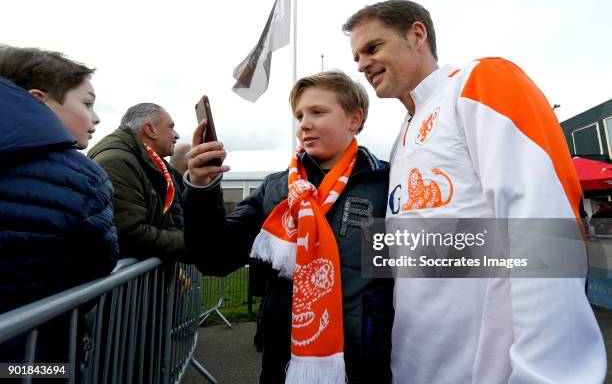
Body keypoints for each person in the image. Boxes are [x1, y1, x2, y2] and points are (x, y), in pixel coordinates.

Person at [343, 0, 606, 383]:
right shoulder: (402, 137)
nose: (362, 64)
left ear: (417, 35)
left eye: (373, 47)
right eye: (356, 56)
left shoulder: (480, 81)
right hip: (413, 366)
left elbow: (547, 236)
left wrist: (545, 374)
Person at [183, 71, 394, 383]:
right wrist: (201, 189)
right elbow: (214, 257)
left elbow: (422, 273)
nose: (304, 124)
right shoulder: (276, 189)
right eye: (299, 115)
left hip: (362, 363)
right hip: (283, 363)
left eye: (318, 112)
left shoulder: (385, 185)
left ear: (354, 119)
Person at [0, 45, 118, 360]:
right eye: (87, 103)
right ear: (39, 101)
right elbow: (98, 264)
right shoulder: (85, 179)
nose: (96, 118)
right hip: (35, 359)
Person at [88, 103, 190, 260]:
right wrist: (193, 246)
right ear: (150, 130)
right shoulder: (117, 162)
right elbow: (130, 233)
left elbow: (169, 221)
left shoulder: (153, 164)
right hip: (123, 280)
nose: (176, 135)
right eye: (171, 127)